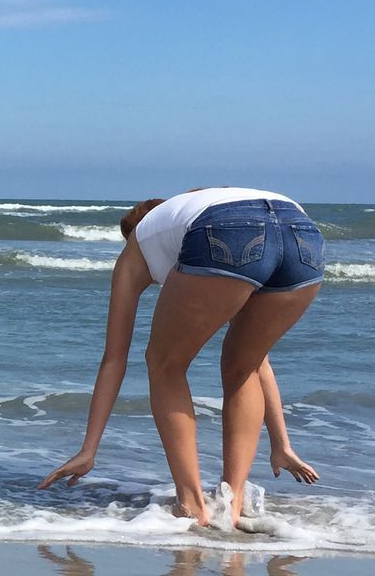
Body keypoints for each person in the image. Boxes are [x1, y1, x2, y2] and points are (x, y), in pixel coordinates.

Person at [39, 189, 324, 529]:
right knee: (243, 362)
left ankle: (192, 505)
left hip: (224, 232)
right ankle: (229, 508)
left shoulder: (137, 245)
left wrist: (89, 450)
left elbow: (115, 358)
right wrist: (281, 445)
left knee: (164, 364)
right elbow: (258, 364)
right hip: (302, 232)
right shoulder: (191, 207)